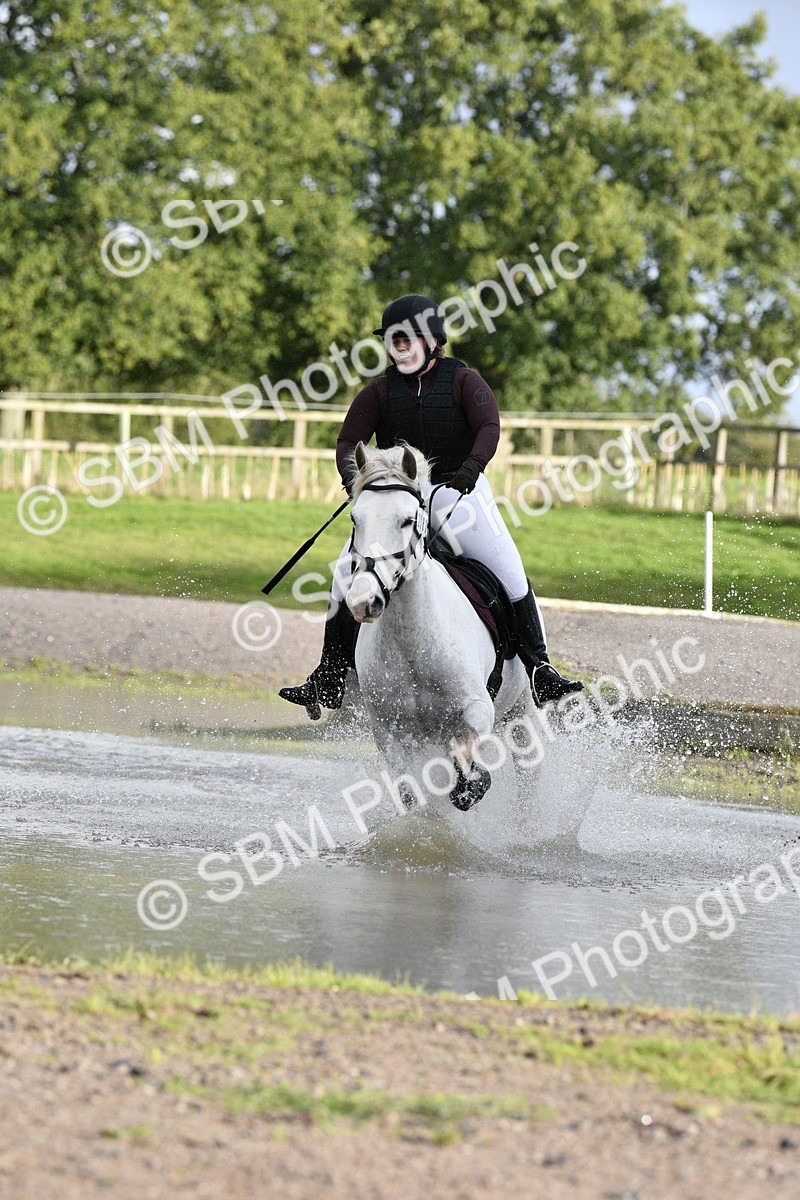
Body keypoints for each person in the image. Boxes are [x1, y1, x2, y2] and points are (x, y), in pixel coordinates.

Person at [280, 294, 583, 719]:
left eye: (406, 339)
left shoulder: (463, 381)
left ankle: (539, 668)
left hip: (458, 494)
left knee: (509, 569)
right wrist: (356, 482)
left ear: (431, 341)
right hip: (396, 498)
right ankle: (329, 673)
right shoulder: (380, 391)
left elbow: (488, 425)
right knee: (344, 572)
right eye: (392, 340)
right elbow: (348, 441)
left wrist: (473, 467)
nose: (398, 347)